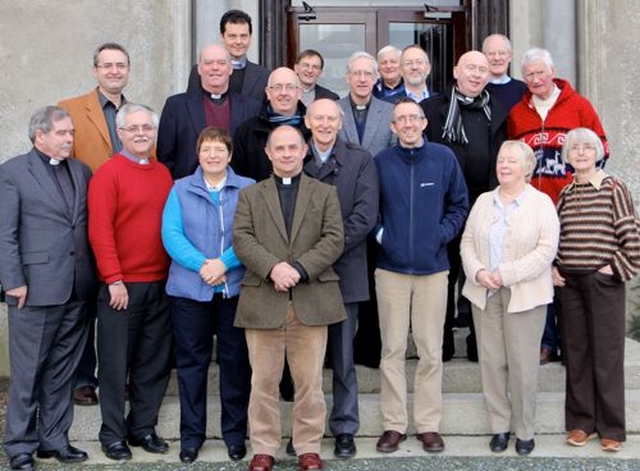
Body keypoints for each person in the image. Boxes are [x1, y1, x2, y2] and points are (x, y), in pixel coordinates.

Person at [233, 125, 345, 471]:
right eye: (278, 148)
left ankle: (308, 445)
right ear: (268, 153)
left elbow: (333, 239)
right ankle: (264, 446)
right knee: (263, 381)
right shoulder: (251, 195)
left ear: (304, 151)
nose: (285, 154)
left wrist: (297, 268)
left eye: (292, 148)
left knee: (309, 381)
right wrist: (273, 269)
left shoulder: (325, 193)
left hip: (310, 298)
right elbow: (242, 238)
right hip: (264, 299)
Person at [0, 106, 96, 470]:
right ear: (40, 135)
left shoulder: (81, 171)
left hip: (76, 287)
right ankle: (20, 446)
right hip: (33, 289)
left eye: (71, 132)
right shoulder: (12, 173)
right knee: (28, 373)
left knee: (62, 371)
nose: (70, 138)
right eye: (62, 133)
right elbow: (4, 234)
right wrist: (13, 282)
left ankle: (53, 439)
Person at [374, 99, 468, 455]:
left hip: (433, 269)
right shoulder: (381, 162)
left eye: (414, 117)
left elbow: (460, 204)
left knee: (430, 350)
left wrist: (440, 235)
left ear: (424, 123)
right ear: (393, 127)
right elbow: (370, 209)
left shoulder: (443, 159)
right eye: (401, 119)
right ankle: (394, 425)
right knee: (392, 349)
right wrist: (385, 237)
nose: (408, 124)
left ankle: (428, 424)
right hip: (391, 269)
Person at [508, 47, 609, 365]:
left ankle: (572, 342)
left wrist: (584, 182)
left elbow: (602, 147)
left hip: (571, 203)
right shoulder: (517, 113)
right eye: (529, 75)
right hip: (533, 207)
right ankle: (546, 342)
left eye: (540, 72)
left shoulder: (579, 106)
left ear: (552, 72)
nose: (536, 79)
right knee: (540, 272)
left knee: (569, 271)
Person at [161, 126, 255, 463]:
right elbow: (171, 234)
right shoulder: (180, 189)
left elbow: (252, 234)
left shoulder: (248, 188)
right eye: (206, 150)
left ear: (230, 155)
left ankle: (234, 435)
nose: (212, 155)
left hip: (234, 291)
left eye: (219, 149)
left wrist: (224, 264)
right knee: (191, 365)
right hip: (190, 292)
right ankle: (191, 437)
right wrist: (204, 265)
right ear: (198, 155)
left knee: (235, 365)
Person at [460, 140, 560, 456]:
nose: (503, 165)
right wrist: (478, 272)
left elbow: (546, 250)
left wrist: (507, 273)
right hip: (485, 293)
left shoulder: (541, 203)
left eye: (511, 161)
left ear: (527, 168)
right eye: (501, 159)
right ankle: (500, 428)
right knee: (492, 363)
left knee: (523, 365)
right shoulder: (483, 202)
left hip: (525, 296)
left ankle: (524, 430)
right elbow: (467, 242)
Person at [88, 103, 174, 461]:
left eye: (147, 128)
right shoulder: (108, 174)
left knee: (153, 363)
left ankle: (142, 427)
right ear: (120, 133)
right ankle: (112, 434)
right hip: (122, 287)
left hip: (161, 283)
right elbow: (99, 230)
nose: (141, 133)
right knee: (114, 363)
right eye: (133, 128)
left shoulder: (163, 173)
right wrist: (113, 278)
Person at [552, 127, 640, 453]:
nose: (582, 153)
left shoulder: (613, 187)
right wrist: (555, 267)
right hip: (570, 284)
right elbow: (557, 236)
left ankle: (611, 427)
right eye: (575, 149)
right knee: (576, 356)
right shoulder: (566, 193)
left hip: (603, 282)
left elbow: (631, 233)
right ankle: (581, 423)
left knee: (607, 356)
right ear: (568, 156)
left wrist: (615, 268)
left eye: (588, 148)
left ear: (598, 152)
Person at [303, 99, 380, 459]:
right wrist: (307, 261)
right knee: (306, 359)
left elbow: (365, 216)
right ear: (308, 120)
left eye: (331, 118)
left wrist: (323, 253)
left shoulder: (360, 159)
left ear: (340, 121)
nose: (325, 124)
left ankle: (345, 427)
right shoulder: (293, 155)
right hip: (303, 275)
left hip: (344, 270)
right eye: (318, 118)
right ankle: (308, 430)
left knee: (343, 357)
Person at [421, 51, 508, 362]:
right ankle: (440, 343)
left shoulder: (498, 110)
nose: (476, 74)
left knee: (479, 276)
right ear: (456, 70)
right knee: (444, 275)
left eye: (483, 70)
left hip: (486, 206)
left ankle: (477, 343)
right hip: (443, 208)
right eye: (471, 67)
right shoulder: (431, 108)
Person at [59, 42, 132, 406]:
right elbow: (63, 169)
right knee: (85, 304)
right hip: (85, 220)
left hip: (129, 226)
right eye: (107, 65)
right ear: (95, 70)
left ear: (128, 71)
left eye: (120, 65)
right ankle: (83, 376)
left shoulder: (137, 115)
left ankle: (118, 375)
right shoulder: (71, 110)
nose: (114, 71)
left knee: (122, 307)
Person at [157, 43, 261, 179]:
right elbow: (165, 158)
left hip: (238, 194)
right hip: (188, 192)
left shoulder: (252, 107)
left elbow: (256, 160)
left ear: (230, 69)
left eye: (221, 63)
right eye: (208, 63)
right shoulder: (176, 106)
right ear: (199, 69)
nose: (215, 68)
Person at [231, 67, 310, 182]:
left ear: (299, 93)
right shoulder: (247, 131)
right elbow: (237, 177)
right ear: (268, 93)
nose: (284, 93)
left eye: (289, 87)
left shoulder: (312, 130)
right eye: (277, 87)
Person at [187, 9, 270, 102]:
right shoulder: (201, 71)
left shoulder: (264, 75)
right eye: (232, 36)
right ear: (222, 37)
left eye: (243, 36)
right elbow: (190, 108)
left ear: (250, 37)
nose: (238, 42)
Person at [338, 51, 396, 158]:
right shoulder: (334, 110)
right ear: (347, 78)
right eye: (357, 73)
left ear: (376, 78)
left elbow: (395, 153)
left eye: (368, 73)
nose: (362, 79)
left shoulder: (390, 111)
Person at [482, 34, 527, 111]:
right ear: (484, 57)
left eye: (501, 53)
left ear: (510, 57)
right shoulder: (477, 88)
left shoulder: (523, 89)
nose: (497, 58)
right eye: (491, 53)